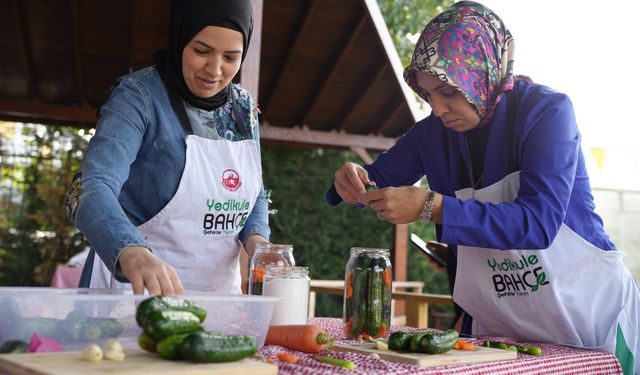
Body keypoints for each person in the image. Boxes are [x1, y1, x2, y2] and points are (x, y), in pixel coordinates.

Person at [327, 1, 639, 372]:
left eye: (447, 91)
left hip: (587, 319)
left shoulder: (546, 113)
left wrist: (433, 206)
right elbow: (376, 181)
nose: (439, 108)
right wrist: (352, 181)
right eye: (428, 96)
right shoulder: (431, 135)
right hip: (500, 324)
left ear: (479, 72)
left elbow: (537, 224)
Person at [64, 0, 270, 296]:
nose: (215, 70)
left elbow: (255, 192)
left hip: (218, 298)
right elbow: (90, 187)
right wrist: (131, 251)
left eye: (231, 57)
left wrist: (258, 241)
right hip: (134, 294)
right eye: (201, 51)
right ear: (180, 38)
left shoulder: (243, 108)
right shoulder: (138, 97)